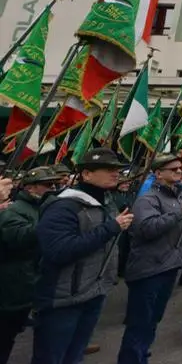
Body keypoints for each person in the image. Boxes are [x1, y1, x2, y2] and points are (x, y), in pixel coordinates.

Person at [32, 148, 133, 364]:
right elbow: (58, 250)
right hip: (64, 300)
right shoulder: (64, 206)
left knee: (75, 355)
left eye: (117, 169)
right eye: (108, 169)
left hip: (93, 292)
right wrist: (110, 228)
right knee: (51, 358)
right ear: (86, 174)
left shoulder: (106, 202)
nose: (116, 174)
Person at [118, 154, 182, 364]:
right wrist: (181, 212)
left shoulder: (175, 196)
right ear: (158, 173)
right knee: (140, 323)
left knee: (153, 320)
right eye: (174, 170)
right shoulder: (148, 198)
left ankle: (142, 354)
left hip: (169, 265)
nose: (180, 173)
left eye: (181, 169)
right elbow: (147, 228)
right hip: (150, 269)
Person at [0, 167, 63, 364]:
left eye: (54, 185)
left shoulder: (41, 208)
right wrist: (49, 223)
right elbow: (18, 238)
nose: (52, 189)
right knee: (4, 336)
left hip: (33, 280)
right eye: (47, 185)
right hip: (14, 283)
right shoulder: (15, 210)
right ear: (30, 188)